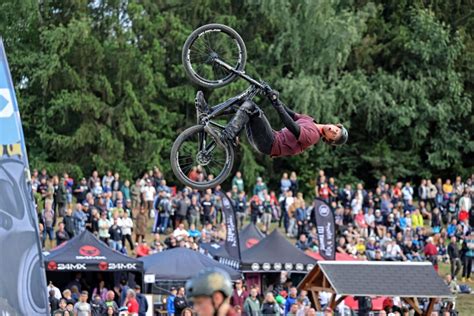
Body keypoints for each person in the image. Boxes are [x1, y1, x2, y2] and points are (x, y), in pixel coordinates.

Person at [203, 86, 348, 157]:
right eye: (337, 129)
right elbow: (290, 113)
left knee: (251, 107)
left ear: (328, 140)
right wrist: (272, 96)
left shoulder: (313, 136)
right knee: (244, 102)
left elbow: (291, 125)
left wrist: (275, 103)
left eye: (334, 135)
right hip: (269, 139)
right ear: (335, 125)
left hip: (271, 143)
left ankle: (226, 136)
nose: (334, 131)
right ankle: (209, 112)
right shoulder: (311, 121)